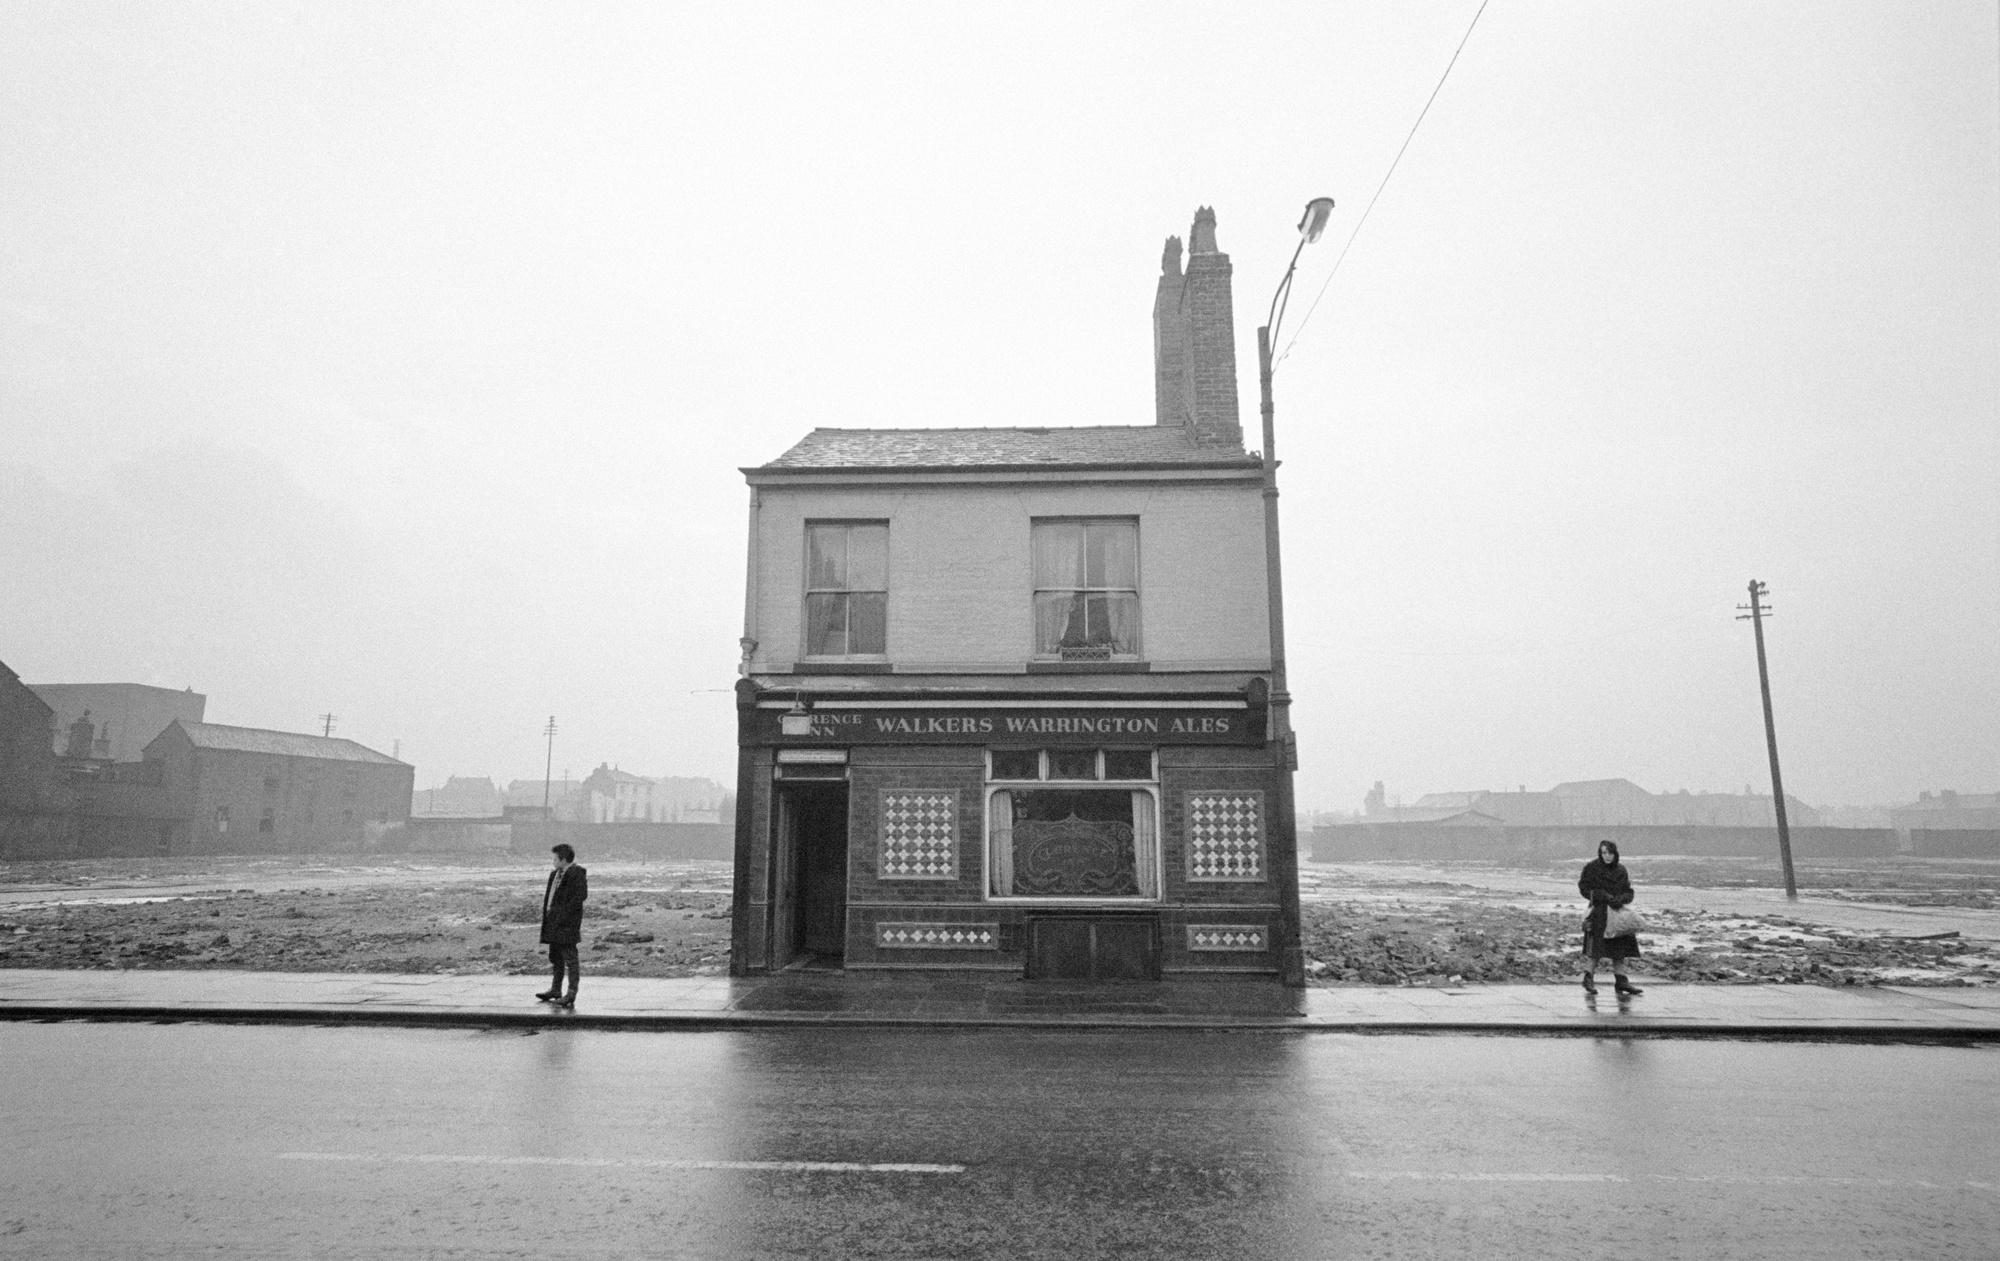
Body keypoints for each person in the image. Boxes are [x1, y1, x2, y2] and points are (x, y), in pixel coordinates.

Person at [1579, 839, 1643, 997]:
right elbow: (1583, 887)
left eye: (1610, 853)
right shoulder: (1592, 868)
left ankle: (1621, 981)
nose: (1607, 856)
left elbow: (1628, 890)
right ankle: (1588, 978)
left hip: (1617, 913)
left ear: (1615, 853)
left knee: (1619, 949)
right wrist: (1597, 895)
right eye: (1603, 853)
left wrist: (1621, 899)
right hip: (1599, 912)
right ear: (1600, 854)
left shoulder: (1621, 870)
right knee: (1595, 949)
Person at [536, 843, 588, 1008]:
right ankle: (556, 989)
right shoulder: (555, 875)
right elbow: (550, 898)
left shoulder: (576, 874)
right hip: (553, 923)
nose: (553, 862)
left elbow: (579, 897)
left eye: (555, 859)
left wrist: (563, 915)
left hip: (566, 924)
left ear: (564, 859)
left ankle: (571, 993)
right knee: (556, 957)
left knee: (570, 959)